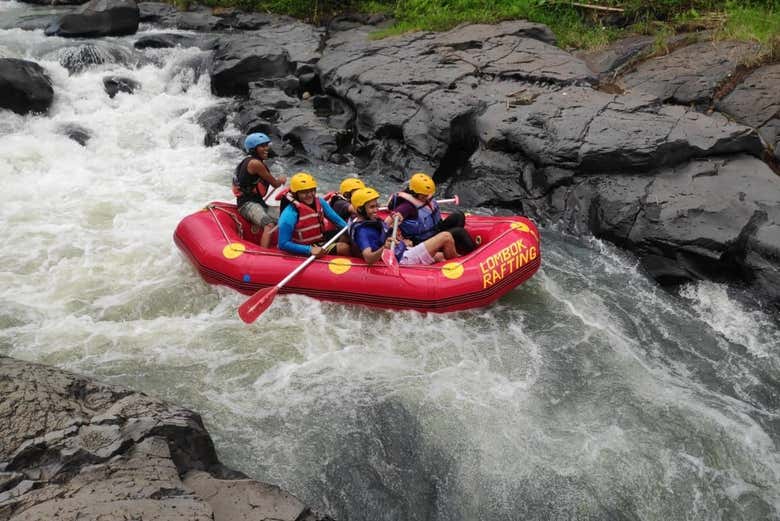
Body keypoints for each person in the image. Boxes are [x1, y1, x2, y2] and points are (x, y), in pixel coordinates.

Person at [350, 187, 457, 266]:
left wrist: (400, 238)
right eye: (372, 207)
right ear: (360, 209)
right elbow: (368, 258)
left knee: (441, 256)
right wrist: (384, 248)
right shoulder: (362, 231)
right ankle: (457, 271)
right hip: (401, 259)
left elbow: (384, 233)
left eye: (376, 206)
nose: (376, 210)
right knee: (446, 237)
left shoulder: (372, 220)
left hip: (402, 250)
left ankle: (455, 267)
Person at [387, 172, 476, 254]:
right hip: (422, 240)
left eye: (428, 194)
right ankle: (474, 255)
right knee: (459, 232)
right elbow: (387, 222)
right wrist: (396, 240)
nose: (428, 197)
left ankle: (452, 246)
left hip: (435, 230)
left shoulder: (423, 196)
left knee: (458, 216)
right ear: (415, 193)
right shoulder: (406, 206)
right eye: (424, 195)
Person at [277, 172, 352, 258]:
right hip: (303, 246)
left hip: (320, 239)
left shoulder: (319, 202)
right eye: (304, 192)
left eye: (312, 190)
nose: (309, 195)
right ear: (295, 194)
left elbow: (338, 222)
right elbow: (283, 244)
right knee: (343, 248)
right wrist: (309, 250)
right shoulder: (289, 213)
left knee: (349, 235)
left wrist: (353, 231)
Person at [232, 132, 286, 248]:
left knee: (286, 215)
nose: (266, 148)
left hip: (259, 203)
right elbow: (275, 184)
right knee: (269, 224)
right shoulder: (255, 164)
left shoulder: (250, 161)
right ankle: (263, 252)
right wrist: (281, 180)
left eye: (266, 145)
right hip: (246, 204)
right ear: (253, 149)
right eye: (262, 146)